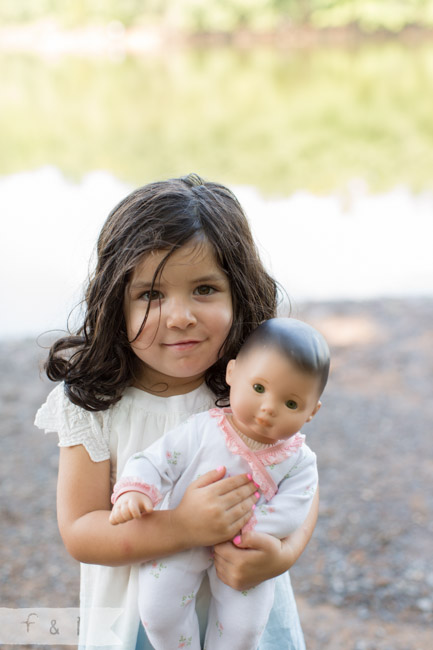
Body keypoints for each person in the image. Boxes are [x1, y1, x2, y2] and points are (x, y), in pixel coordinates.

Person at [34, 174, 319, 650]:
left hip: (246, 613)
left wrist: (283, 554)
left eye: (205, 289)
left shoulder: (249, 392)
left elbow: (301, 483)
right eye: (151, 294)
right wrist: (183, 527)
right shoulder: (95, 403)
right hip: (137, 625)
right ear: (114, 302)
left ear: (239, 292)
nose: (180, 315)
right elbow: (82, 530)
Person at [110, 317, 329, 650]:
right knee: (157, 608)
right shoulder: (204, 429)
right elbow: (158, 458)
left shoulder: (299, 460)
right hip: (182, 537)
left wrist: (248, 530)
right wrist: (137, 489)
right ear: (232, 374)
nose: (269, 409)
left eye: (291, 404)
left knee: (245, 627)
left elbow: (295, 507)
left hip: (245, 553)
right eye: (258, 388)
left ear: (312, 411)